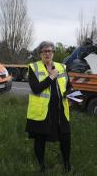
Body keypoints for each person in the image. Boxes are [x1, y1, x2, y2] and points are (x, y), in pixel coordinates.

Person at [26, 41, 72, 173]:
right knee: (40, 139)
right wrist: (51, 76)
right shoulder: (33, 67)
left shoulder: (62, 67)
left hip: (60, 109)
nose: (47, 53)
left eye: (50, 51)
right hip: (42, 111)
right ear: (39, 54)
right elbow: (36, 89)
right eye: (44, 51)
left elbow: (69, 86)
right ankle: (41, 165)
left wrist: (71, 96)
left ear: (53, 53)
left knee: (66, 137)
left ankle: (67, 164)